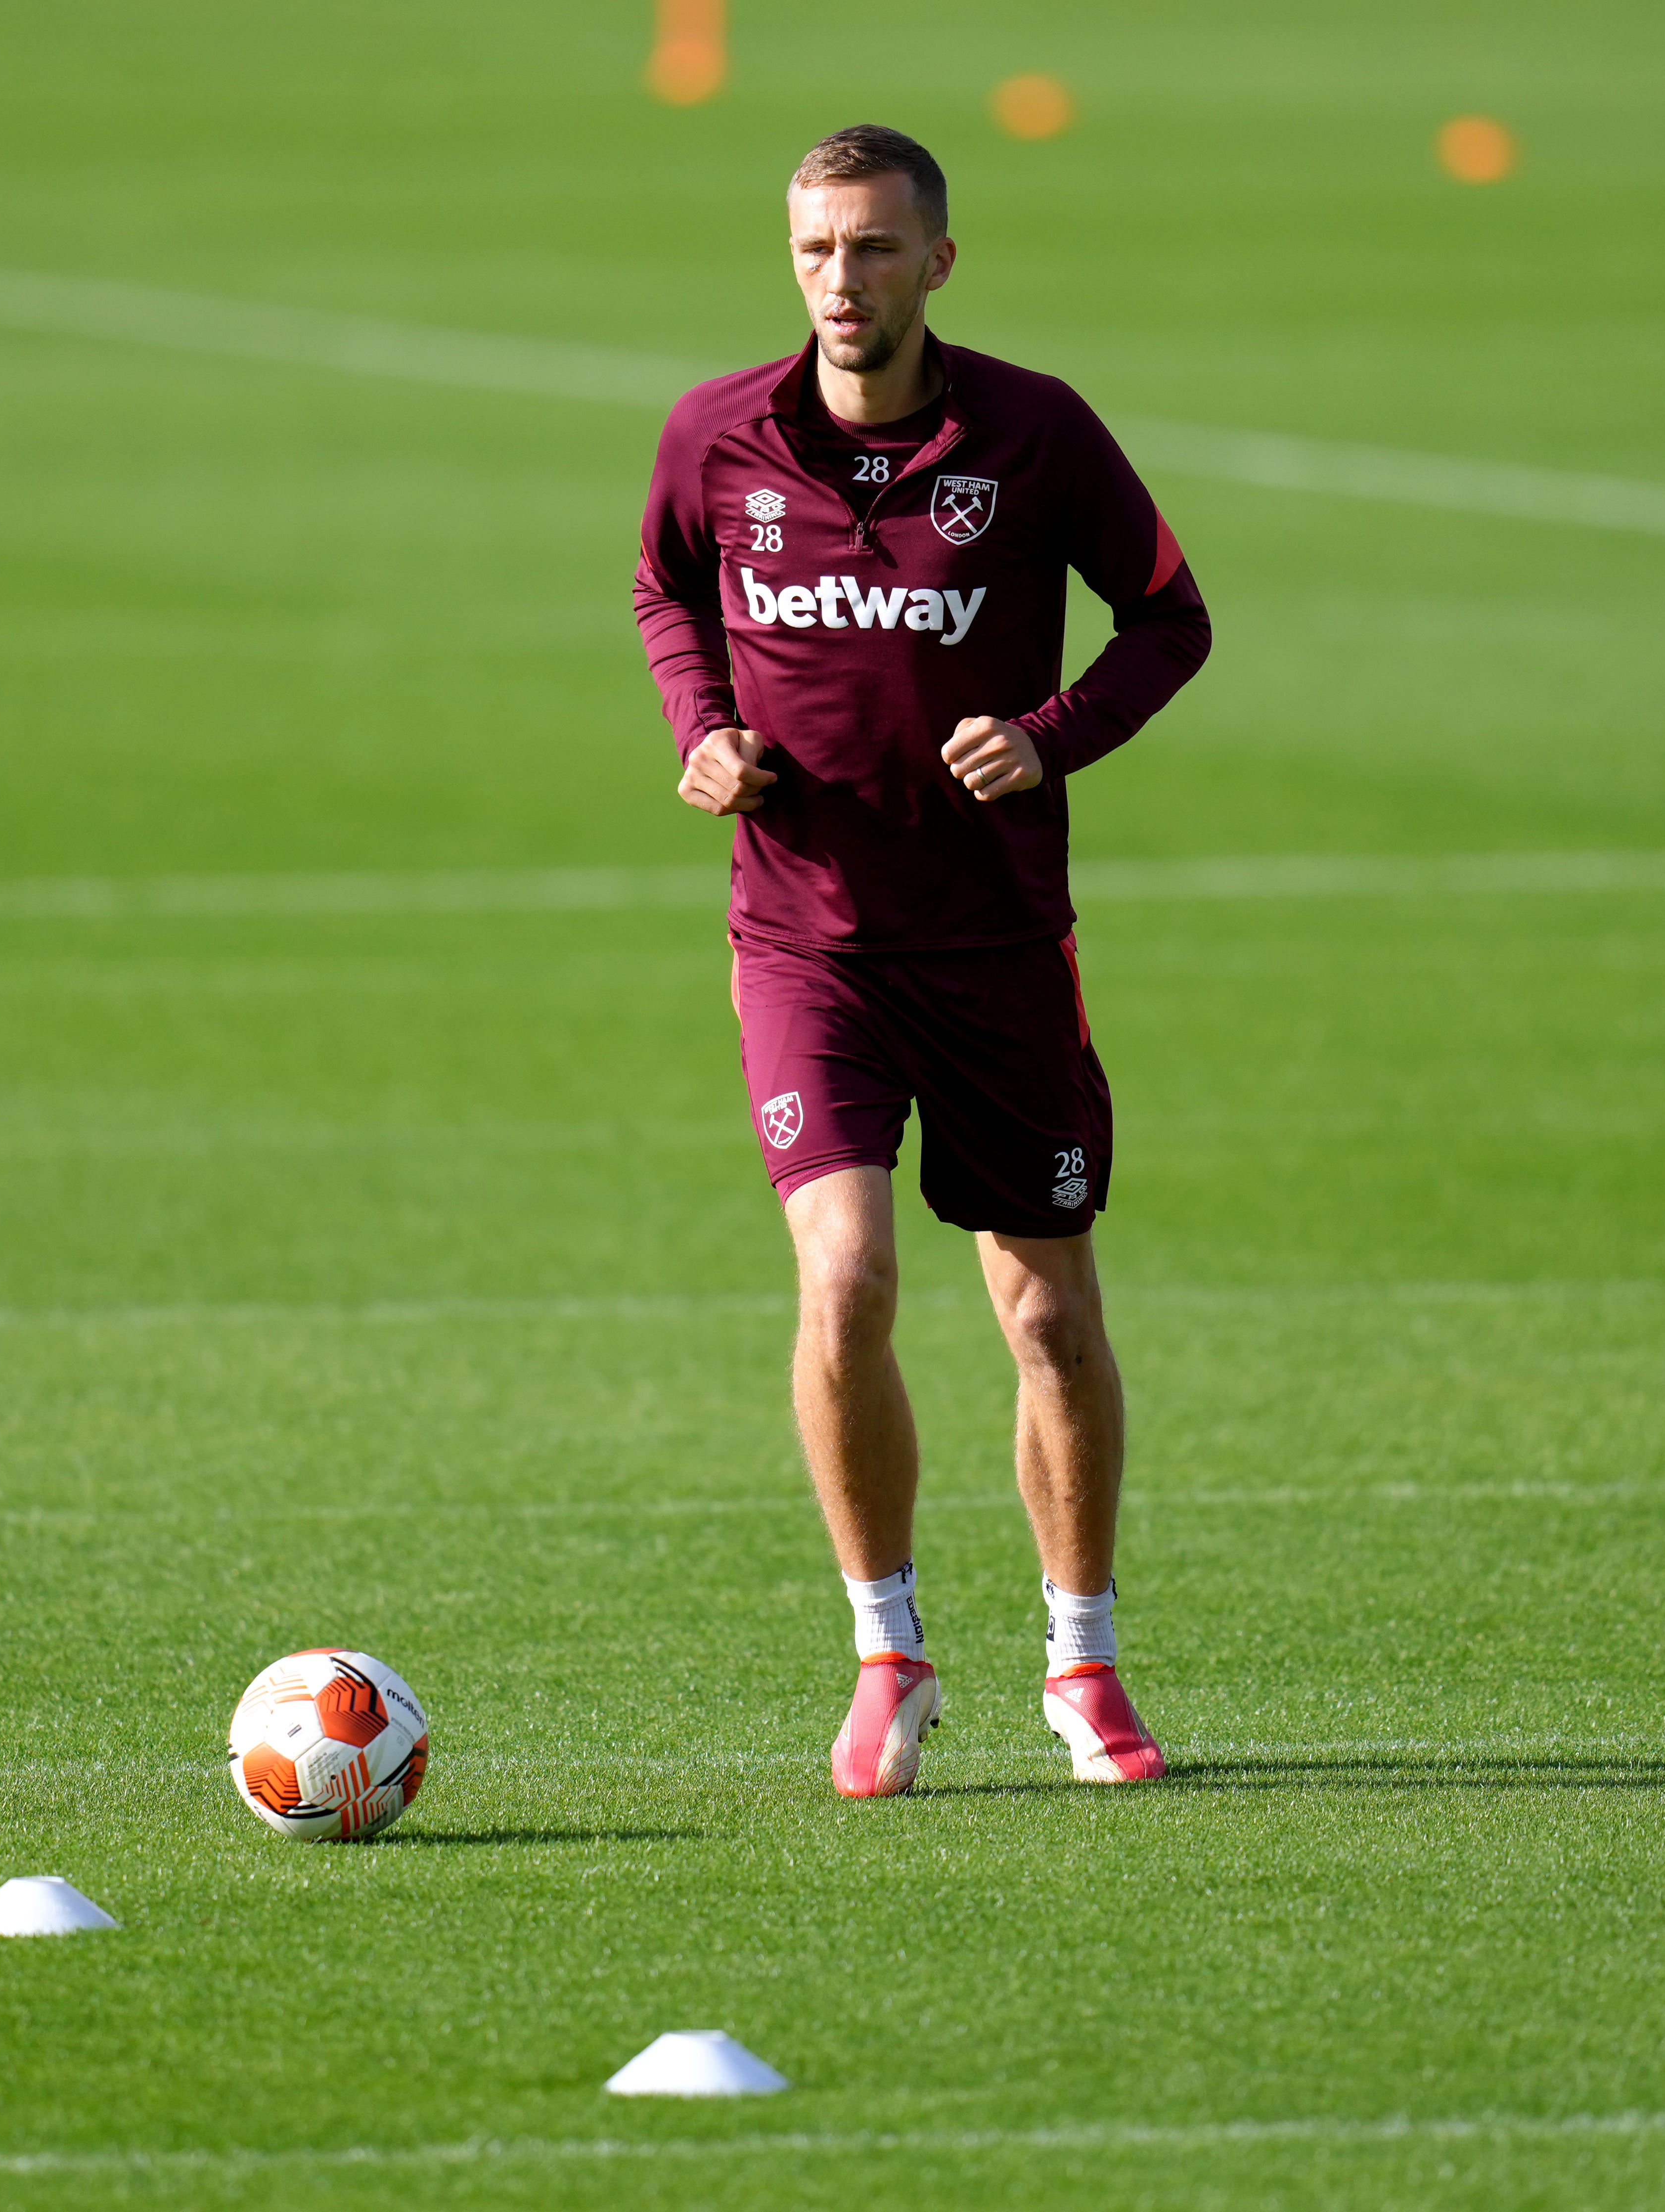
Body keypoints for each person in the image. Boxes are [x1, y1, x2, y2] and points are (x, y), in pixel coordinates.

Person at [632, 124, 1212, 1797]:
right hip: (805, 939)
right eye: (816, 250)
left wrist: (1051, 736)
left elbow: (1170, 615)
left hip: (998, 949)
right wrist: (703, 732)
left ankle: (1082, 1662)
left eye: (874, 250)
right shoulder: (714, 437)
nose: (840, 281)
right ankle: (887, 1652)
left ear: (936, 263)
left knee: (1045, 1317)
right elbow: (666, 590)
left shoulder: (1032, 432)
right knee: (847, 1281)